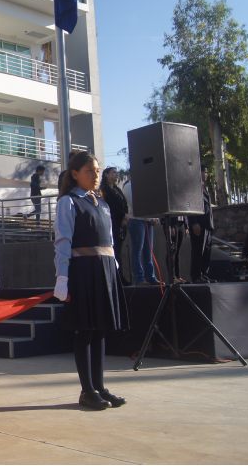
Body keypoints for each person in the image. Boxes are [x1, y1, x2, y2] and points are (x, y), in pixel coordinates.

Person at [53, 151, 128, 410]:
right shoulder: (69, 202)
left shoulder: (103, 203)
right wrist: (62, 276)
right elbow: (63, 241)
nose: (96, 175)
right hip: (82, 269)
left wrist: (114, 266)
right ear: (75, 174)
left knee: (100, 329)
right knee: (85, 329)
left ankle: (100, 386)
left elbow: (109, 240)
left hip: (104, 269)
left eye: (97, 170)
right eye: (89, 171)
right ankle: (87, 390)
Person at [122, 178, 159, 285]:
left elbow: (152, 201)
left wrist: (155, 216)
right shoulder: (129, 186)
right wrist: (150, 217)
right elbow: (136, 204)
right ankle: (139, 278)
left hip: (148, 221)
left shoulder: (145, 184)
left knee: (148, 251)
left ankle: (150, 277)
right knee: (137, 251)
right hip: (136, 220)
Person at [187, 168, 215, 283]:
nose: (206, 174)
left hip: (207, 225)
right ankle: (196, 275)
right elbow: (190, 205)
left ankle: (204, 273)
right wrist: (194, 222)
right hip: (199, 224)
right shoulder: (194, 187)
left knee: (206, 251)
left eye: (207, 172)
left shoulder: (205, 188)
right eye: (205, 172)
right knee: (198, 250)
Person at [99, 167, 128, 268]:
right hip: (111, 223)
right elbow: (108, 206)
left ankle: (120, 276)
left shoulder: (117, 189)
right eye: (113, 172)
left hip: (121, 224)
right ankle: (117, 277)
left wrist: (125, 216)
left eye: (116, 172)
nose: (116, 174)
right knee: (113, 251)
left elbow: (124, 203)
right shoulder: (103, 189)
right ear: (106, 174)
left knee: (119, 251)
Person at [161, 216, 187, 283]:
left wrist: (186, 225)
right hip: (171, 224)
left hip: (181, 224)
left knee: (177, 252)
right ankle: (172, 277)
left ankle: (178, 276)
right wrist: (171, 225)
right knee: (172, 250)